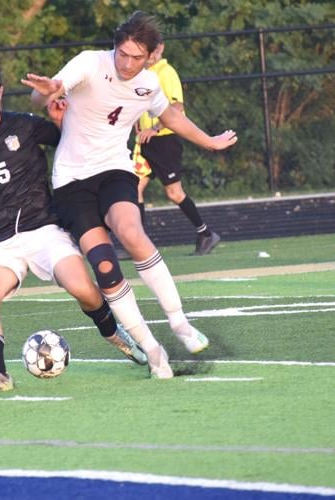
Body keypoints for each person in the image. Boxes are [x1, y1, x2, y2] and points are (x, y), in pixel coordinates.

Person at [22, 11, 237, 378]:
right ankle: (153, 351)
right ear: (115, 47)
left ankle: (180, 323)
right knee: (105, 266)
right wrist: (44, 94)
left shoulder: (150, 84)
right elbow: (50, 91)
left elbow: (170, 117)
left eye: (136, 57)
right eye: (122, 53)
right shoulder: (91, 63)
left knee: (132, 232)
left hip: (114, 171)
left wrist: (210, 142)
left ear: (151, 56)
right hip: (72, 182)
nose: (126, 62)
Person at [0, 60, 147, 397]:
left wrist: (62, 120)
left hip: (46, 231)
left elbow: (74, 141)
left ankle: (114, 334)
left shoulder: (27, 127)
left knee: (83, 288)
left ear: (0, 93)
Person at [135, 41, 221, 256]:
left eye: (153, 50)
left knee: (174, 193)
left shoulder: (166, 72)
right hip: (144, 142)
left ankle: (206, 233)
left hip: (164, 140)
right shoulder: (142, 75)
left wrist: (154, 128)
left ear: (161, 48)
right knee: (133, 189)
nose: (150, 55)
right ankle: (138, 244)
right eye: (147, 51)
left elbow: (176, 107)